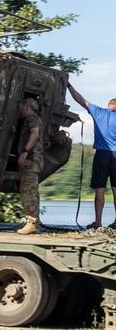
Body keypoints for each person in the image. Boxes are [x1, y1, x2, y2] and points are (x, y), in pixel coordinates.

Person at [68, 83, 116, 228]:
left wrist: (69, 86)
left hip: (102, 155)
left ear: (109, 105)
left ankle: (98, 222)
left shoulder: (98, 112)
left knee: (100, 189)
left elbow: (80, 100)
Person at [17, 98, 44, 235]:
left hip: (31, 160)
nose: (20, 109)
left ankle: (31, 223)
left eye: (22, 106)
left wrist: (25, 152)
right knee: (31, 191)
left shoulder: (32, 118)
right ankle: (33, 223)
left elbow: (35, 133)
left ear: (27, 107)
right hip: (33, 160)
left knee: (28, 191)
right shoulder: (33, 118)